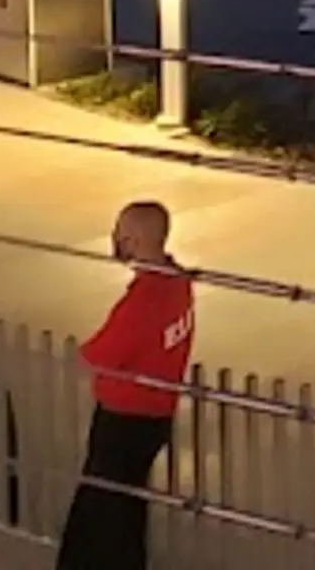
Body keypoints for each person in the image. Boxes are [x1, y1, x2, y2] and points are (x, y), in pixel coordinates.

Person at [56, 200, 195, 570]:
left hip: (125, 417)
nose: (116, 238)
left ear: (133, 239)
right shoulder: (177, 283)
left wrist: (85, 356)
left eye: (120, 232)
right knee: (126, 504)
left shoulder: (144, 300)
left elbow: (104, 353)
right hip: (155, 413)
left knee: (101, 509)